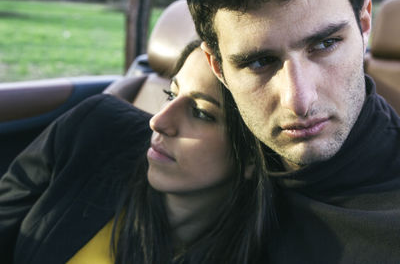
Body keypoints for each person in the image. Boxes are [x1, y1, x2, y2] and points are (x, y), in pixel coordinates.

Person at [0, 41, 273, 264]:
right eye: (170, 94)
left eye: (201, 113)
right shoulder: (93, 130)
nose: (158, 121)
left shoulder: (273, 245)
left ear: (251, 156)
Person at [187, 0, 400, 263]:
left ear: (364, 22)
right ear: (217, 67)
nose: (299, 101)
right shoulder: (189, 173)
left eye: (326, 44)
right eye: (259, 62)